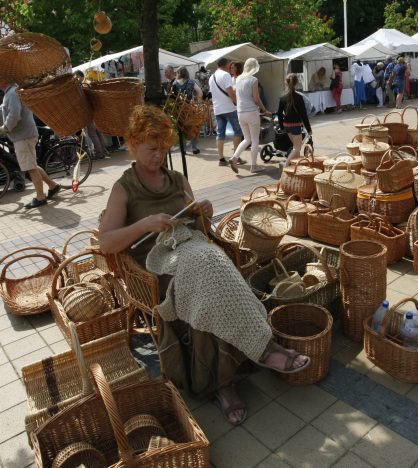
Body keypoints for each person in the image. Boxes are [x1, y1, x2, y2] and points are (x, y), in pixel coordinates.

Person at [98, 104, 311, 426]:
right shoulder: (124, 187)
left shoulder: (177, 179)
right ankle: (239, 369)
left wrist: (203, 213)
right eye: (151, 149)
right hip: (155, 266)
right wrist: (143, 225)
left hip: (194, 253)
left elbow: (198, 228)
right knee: (205, 274)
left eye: (164, 149)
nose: (159, 156)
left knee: (214, 270)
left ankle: (241, 365)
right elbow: (106, 243)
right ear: (133, 143)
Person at [0, 79, 61, 208]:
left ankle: (40, 197)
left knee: (31, 168)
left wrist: (4, 128)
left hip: (23, 136)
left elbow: (14, 115)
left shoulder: (11, 93)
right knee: (32, 165)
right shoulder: (13, 91)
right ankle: (52, 186)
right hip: (25, 135)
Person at [228, 58, 271, 174]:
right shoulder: (253, 80)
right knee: (255, 139)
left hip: (240, 112)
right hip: (251, 112)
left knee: (247, 139)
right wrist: (265, 110)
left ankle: (234, 157)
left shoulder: (238, 79)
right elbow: (256, 99)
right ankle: (254, 166)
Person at [208, 57, 245, 166]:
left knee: (220, 134)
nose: (230, 66)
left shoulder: (212, 77)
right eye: (229, 64)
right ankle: (235, 157)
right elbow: (230, 92)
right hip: (229, 108)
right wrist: (238, 103)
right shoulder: (225, 75)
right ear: (225, 65)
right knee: (238, 131)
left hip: (217, 109)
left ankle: (221, 159)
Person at [277, 73, 312, 167]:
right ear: (296, 83)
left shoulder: (282, 98)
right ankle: (286, 165)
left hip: (287, 126)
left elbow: (279, 114)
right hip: (296, 126)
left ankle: (296, 167)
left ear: (286, 83)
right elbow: (304, 115)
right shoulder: (299, 98)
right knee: (297, 147)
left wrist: (281, 127)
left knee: (295, 147)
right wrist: (309, 129)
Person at [74, 70, 110, 160]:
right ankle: (104, 150)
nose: (76, 79)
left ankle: (100, 153)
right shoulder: (87, 84)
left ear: (81, 77)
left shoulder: (83, 85)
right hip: (93, 111)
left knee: (92, 133)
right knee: (97, 132)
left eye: (76, 77)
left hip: (89, 112)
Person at [172, 67, 203, 155]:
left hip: (178, 110)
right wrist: (198, 103)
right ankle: (194, 148)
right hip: (189, 108)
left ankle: (184, 150)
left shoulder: (174, 83)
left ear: (178, 73)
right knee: (192, 128)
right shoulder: (191, 82)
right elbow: (200, 92)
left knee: (181, 129)